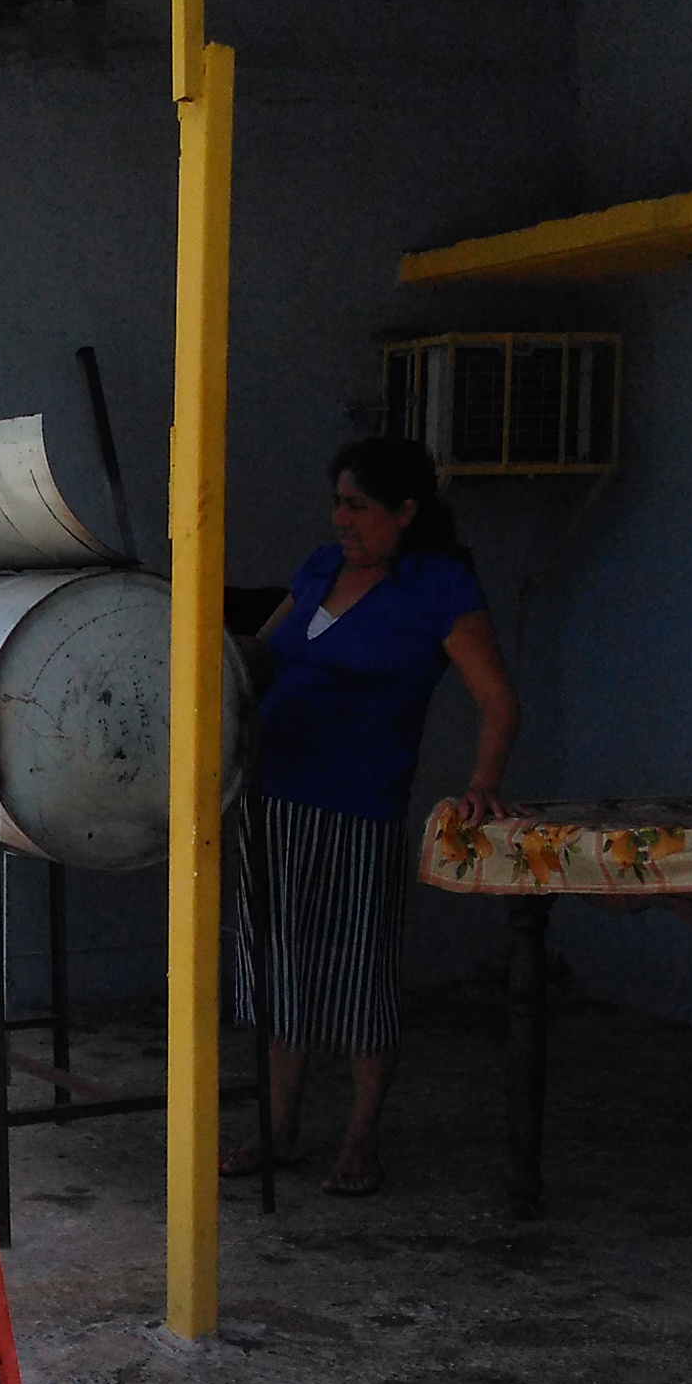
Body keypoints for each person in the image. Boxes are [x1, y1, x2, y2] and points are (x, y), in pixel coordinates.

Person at [226, 437, 518, 1194]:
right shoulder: (321, 568)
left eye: (358, 504)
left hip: (359, 807)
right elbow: (254, 662)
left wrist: (482, 784)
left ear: (406, 510)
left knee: (358, 975)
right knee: (278, 971)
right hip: (272, 798)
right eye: (338, 503)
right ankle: (279, 1129)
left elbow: (498, 701)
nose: (341, 518)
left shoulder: (435, 586)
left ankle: (360, 1140)